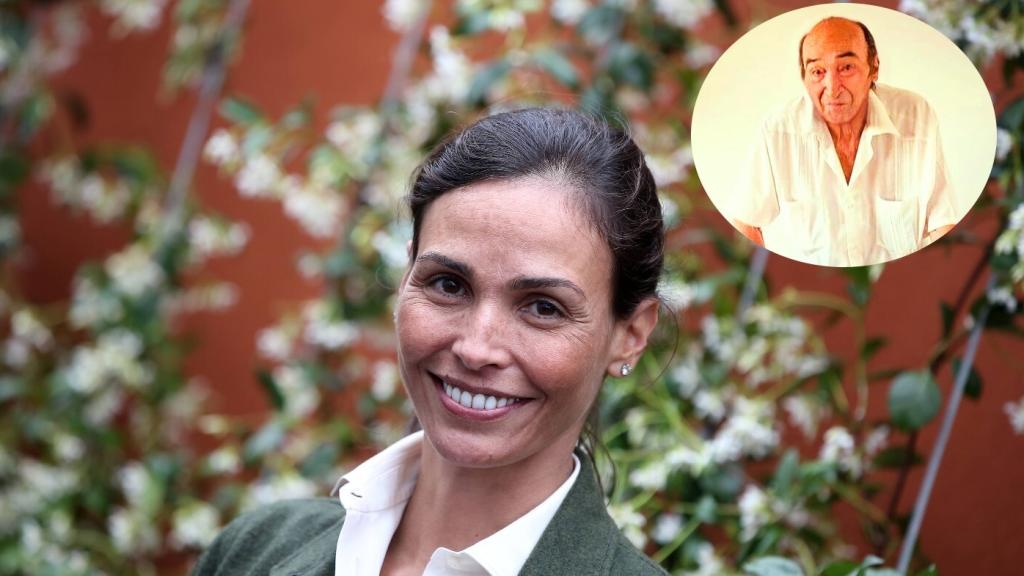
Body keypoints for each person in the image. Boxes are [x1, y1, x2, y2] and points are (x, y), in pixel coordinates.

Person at [191, 108, 670, 576]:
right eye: (448, 285)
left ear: (630, 335)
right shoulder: (253, 550)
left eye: (543, 308)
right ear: (406, 278)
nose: (476, 349)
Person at [729, 16, 958, 267]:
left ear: (874, 68)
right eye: (817, 71)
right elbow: (746, 225)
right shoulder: (777, 130)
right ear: (804, 77)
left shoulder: (916, 115)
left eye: (846, 67)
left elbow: (943, 221)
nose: (832, 87)